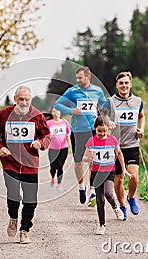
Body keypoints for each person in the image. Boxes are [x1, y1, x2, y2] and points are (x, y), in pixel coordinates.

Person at [0, 86, 50, 244]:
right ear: (15, 99)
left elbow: (46, 136)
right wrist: (0, 147)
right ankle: (13, 217)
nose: (23, 102)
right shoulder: (4, 114)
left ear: (30, 99)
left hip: (30, 164)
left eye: (27, 99)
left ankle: (24, 230)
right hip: (10, 162)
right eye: (20, 99)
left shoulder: (37, 115)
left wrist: (40, 143)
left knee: (31, 200)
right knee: (14, 195)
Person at [54, 66, 107, 206]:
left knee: (92, 159)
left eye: (80, 78)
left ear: (87, 77)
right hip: (77, 131)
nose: (77, 80)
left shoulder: (97, 91)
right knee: (78, 162)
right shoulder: (72, 91)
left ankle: (92, 191)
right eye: (76, 78)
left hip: (92, 130)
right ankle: (81, 187)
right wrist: (71, 110)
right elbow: (58, 104)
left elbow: (103, 106)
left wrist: (103, 116)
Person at [107, 71, 145, 220]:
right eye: (121, 83)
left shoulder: (138, 101)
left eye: (126, 83)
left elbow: (141, 116)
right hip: (115, 146)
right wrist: (107, 122)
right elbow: (100, 118)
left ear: (130, 84)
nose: (124, 85)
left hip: (132, 144)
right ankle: (122, 205)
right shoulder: (110, 102)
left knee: (133, 177)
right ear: (117, 85)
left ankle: (131, 197)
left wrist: (141, 129)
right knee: (119, 178)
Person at [82, 116, 130, 235]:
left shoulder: (112, 140)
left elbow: (119, 154)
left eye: (104, 131)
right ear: (95, 129)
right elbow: (84, 157)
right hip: (96, 173)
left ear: (108, 129)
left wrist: (124, 170)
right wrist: (89, 158)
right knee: (99, 200)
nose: (102, 133)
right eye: (99, 131)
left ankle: (115, 207)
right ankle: (102, 225)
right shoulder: (91, 141)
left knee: (108, 193)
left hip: (109, 172)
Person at [46, 107, 71, 191]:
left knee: (60, 166)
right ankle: (53, 177)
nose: (55, 113)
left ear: (60, 113)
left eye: (57, 111)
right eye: (53, 111)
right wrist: (49, 136)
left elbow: (68, 132)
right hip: (53, 148)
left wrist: (68, 138)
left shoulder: (64, 122)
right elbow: (45, 134)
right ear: (52, 113)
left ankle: (59, 184)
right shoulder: (48, 123)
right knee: (53, 167)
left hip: (63, 148)